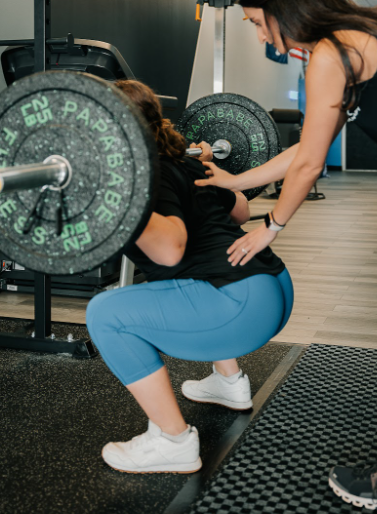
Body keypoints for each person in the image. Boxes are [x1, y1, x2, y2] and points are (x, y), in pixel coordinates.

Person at [196, 0, 377, 514]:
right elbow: (305, 145)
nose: (263, 36)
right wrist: (237, 178)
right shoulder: (354, 37)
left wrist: (271, 225)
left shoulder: (333, 52)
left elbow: (311, 163)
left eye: (258, 23)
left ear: (280, 10)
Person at [85, 79, 294, 474]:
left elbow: (170, 249)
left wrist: (114, 195)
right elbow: (240, 212)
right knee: (177, 283)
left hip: (239, 304)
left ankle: (172, 440)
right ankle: (228, 383)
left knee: (105, 313)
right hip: (271, 286)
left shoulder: (146, 173)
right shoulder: (186, 160)